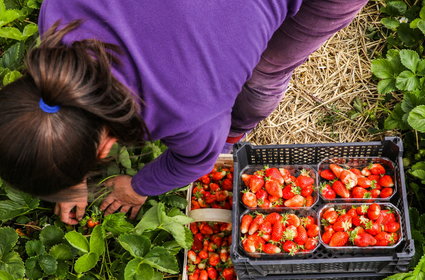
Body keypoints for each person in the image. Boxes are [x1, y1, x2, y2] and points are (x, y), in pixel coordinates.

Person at [0, 0, 368, 225]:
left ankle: (236, 134)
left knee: (264, 74)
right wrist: (69, 179)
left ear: (103, 151)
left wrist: (138, 188)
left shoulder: (189, 111)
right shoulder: (58, 12)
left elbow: (194, 163)